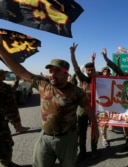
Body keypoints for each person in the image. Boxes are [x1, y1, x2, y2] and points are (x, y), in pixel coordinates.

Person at [0, 36, 99, 167]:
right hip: (45, 137)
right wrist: (1, 50)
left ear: (66, 73)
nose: (52, 74)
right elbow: (20, 70)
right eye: (50, 71)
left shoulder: (76, 91)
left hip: (67, 139)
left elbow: (88, 108)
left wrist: (95, 127)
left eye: (57, 71)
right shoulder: (43, 84)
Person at [70, 43, 99, 161]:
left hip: (95, 109)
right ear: (86, 71)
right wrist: (72, 54)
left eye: (92, 70)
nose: (90, 72)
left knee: (94, 130)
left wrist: (92, 61)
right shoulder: (83, 79)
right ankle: (82, 152)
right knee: (81, 132)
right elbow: (76, 68)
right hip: (82, 109)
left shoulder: (98, 80)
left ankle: (94, 150)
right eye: (88, 70)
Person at [0, 69, 29, 167]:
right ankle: (6, 164)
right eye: (4, 75)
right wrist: (16, 122)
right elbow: (12, 107)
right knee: (5, 144)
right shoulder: (4, 87)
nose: (4, 77)